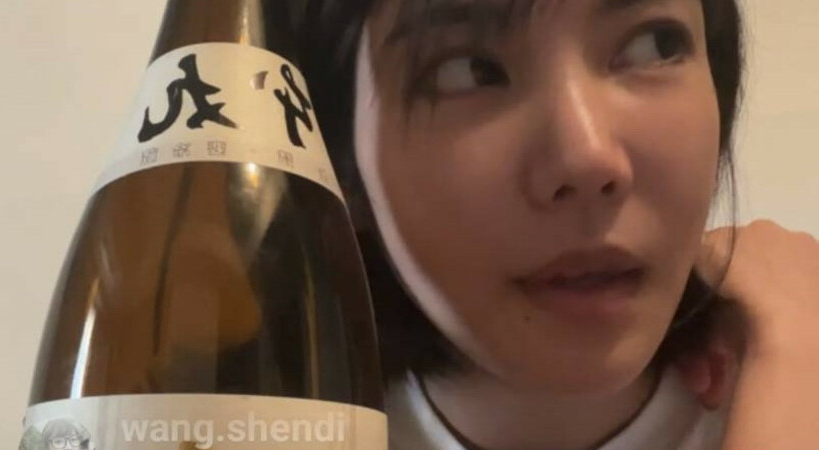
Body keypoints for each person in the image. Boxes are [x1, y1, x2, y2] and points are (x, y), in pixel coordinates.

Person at [297, 0, 819, 448]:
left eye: (655, 45)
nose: (586, 158)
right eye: (468, 72)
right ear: (335, 162)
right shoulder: (276, 423)